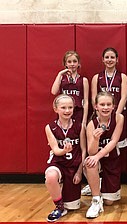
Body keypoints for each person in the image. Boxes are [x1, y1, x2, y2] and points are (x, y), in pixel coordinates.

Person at [82, 47, 127, 196]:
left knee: (114, 151)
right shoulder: (97, 77)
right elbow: (94, 98)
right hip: (101, 116)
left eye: (112, 57)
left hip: (115, 115)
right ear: (102, 60)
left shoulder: (122, 77)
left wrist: (114, 115)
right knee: (93, 150)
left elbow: (123, 97)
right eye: (107, 57)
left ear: (117, 60)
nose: (109, 60)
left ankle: (110, 183)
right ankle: (94, 182)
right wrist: (101, 117)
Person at [45, 94, 86, 222]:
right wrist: (64, 150)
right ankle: (59, 206)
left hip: (74, 165)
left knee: (73, 206)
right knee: (51, 176)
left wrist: (79, 172)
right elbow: (56, 150)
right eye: (63, 107)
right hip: (58, 162)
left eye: (70, 107)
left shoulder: (80, 126)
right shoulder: (50, 127)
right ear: (55, 109)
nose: (67, 110)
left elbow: (84, 150)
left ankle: (67, 201)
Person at [84, 92, 124, 218]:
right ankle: (96, 199)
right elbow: (91, 152)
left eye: (108, 104)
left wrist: (97, 156)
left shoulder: (119, 118)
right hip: (98, 160)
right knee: (90, 162)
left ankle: (97, 183)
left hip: (112, 159)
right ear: (96, 106)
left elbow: (113, 141)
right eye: (102, 104)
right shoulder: (91, 124)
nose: (105, 107)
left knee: (109, 202)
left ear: (113, 106)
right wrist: (95, 140)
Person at [51, 50, 89, 126]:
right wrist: (60, 74)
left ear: (78, 63)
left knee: (78, 136)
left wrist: (84, 121)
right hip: (64, 112)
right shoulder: (61, 78)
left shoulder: (83, 80)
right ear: (65, 64)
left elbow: (86, 101)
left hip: (78, 112)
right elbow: (54, 92)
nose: (72, 64)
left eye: (75, 61)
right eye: (69, 62)